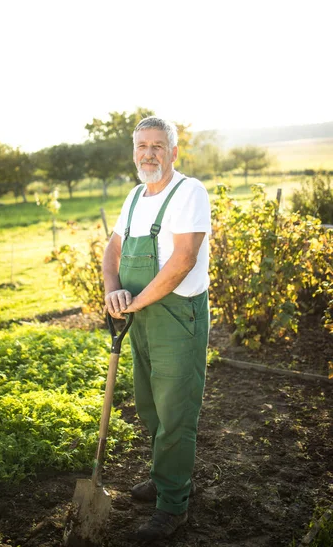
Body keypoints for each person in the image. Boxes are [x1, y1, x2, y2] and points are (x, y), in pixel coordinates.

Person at [102, 116, 211, 541]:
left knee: (175, 413)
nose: (149, 153)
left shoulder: (190, 193)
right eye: (141, 145)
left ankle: (174, 505)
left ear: (173, 152)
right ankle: (168, 476)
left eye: (158, 146)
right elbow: (112, 250)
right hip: (138, 316)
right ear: (134, 151)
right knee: (149, 405)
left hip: (175, 318)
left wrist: (134, 302)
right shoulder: (133, 197)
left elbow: (182, 261)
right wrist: (114, 293)